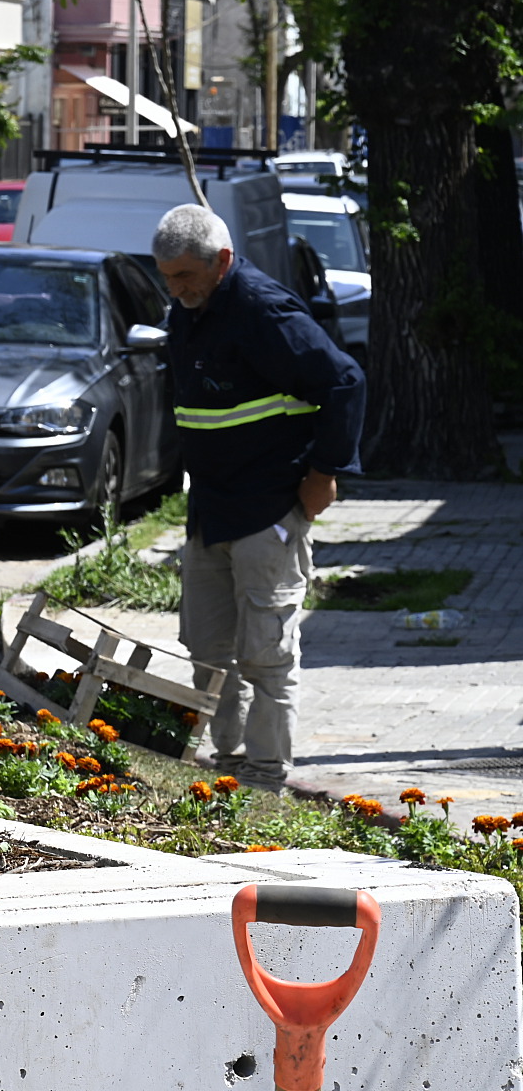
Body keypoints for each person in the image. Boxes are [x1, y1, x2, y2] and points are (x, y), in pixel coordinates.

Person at [150, 201, 364, 792]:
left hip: (267, 508)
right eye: (167, 278)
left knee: (266, 654)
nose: (175, 290)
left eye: (185, 277)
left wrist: (322, 473)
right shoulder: (188, 309)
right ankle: (227, 763)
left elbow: (344, 381)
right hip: (210, 511)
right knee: (208, 647)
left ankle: (266, 774)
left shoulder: (263, 311)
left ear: (221, 262)